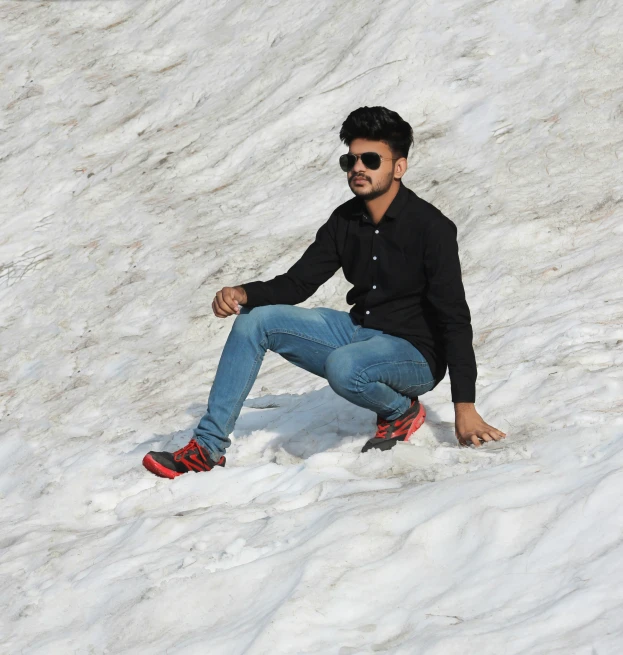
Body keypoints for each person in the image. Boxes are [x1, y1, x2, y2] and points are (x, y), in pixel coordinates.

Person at [142, 106, 506, 479]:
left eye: (370, 159)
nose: (357, 168)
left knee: (345, 366)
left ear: (399, 167)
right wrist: (243, 293)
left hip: (414, 354)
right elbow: (299, 282)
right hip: (358, 332)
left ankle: (401, 410)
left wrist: (466, 407)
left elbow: (455, 319)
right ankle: (207, 448)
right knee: (257, 321)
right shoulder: (344, 220)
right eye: (350, 159)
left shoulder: (432, 228)